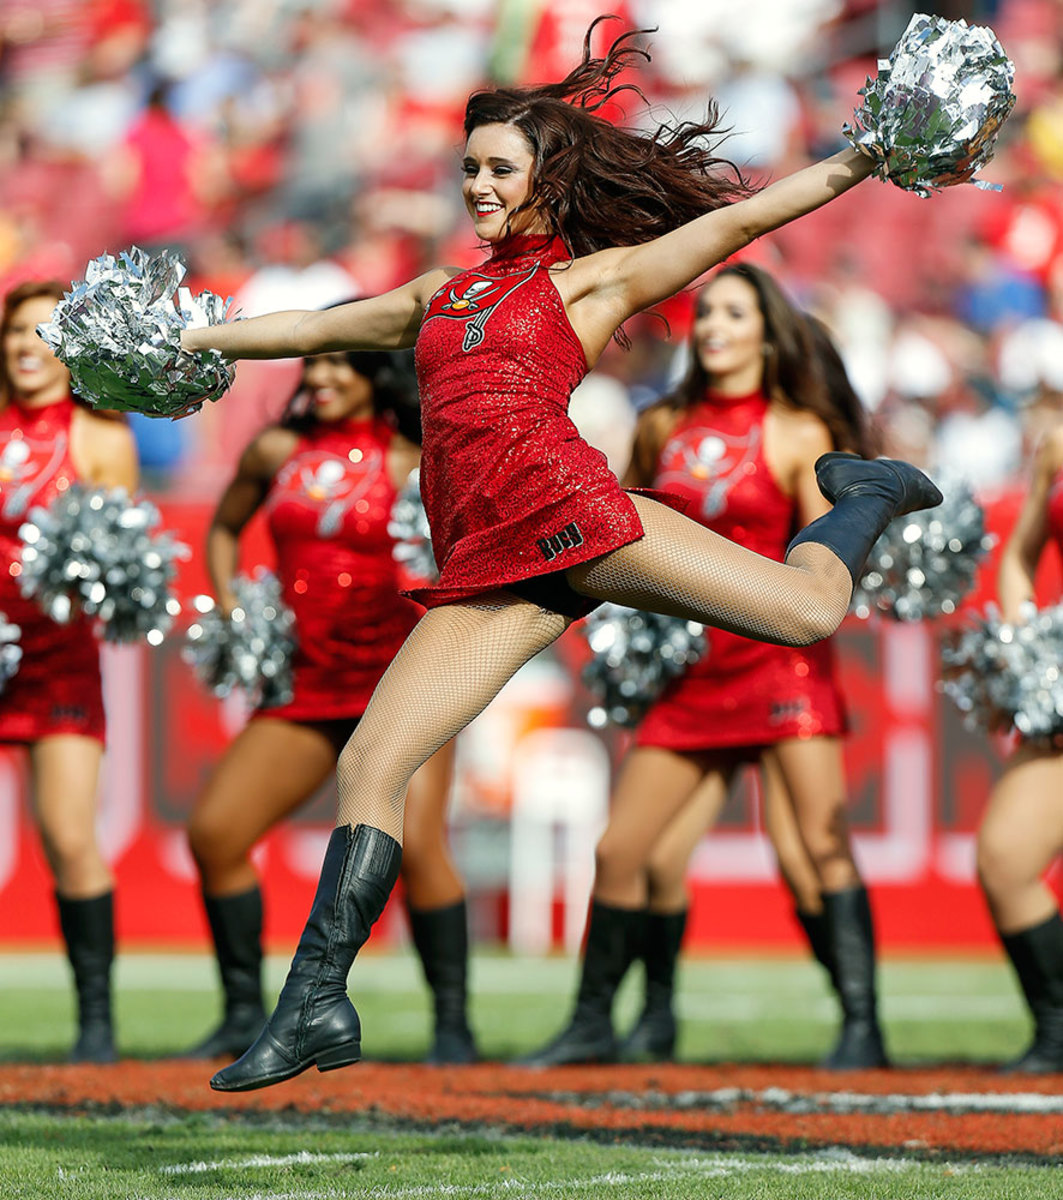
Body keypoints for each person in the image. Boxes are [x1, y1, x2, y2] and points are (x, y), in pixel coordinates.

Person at [180, 26, 942, 1092]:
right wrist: (190, 342)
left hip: (576, 518)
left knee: (809, 616)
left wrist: (863, 155)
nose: (477, 185)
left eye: (498, 168)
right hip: (489, 563)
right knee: (370, 762)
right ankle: (314, 1004)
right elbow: (308, 322)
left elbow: (746, 216)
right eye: (468, 170)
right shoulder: (438, 296)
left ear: (548, 177)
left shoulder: (589, 283)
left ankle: (862, 500)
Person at [524, 269, 887, 1070]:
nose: (714, 326)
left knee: (810, 856)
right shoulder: (661, 427)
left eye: (735, 313)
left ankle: (861, 1026)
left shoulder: (797, 431)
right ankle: (606, 1022)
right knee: (629, 853)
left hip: (779, 661)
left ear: (769, 333)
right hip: (689, 669)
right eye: (707, 313)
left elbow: (822, 554)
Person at [184, 347, 475, 1065]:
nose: (319, 378)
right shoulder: (276, 449)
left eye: (339, 364)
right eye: (311, 365)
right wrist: (229, 605)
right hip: (304, 683)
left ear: (375, 375)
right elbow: (223, 527)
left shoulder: (417, 453)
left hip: (400, 683)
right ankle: (241, 1012)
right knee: (216, 834)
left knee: (422, 850)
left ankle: (452, 1027)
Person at [0, 280, 138, 1062]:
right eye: (15, 331)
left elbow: (125, 564)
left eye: (41, 332)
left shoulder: (99, 437)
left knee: (66, 836)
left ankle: (95, 1022)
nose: (25, 346)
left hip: (59, 664)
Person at [975, 421, 1063, 1073]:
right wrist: (1022, 647)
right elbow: (1018, 556)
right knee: (1005, 856)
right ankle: (1056, 1029)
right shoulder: (1056, 441)